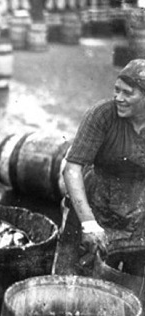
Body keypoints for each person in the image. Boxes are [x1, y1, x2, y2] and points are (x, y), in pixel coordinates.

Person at [63, 59, 145, 271]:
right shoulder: (103, 115)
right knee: (81, 275)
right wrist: (88, 223)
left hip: (136, 215)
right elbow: (72, 168)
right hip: (95, 206)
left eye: (128, 93)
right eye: (117, 90)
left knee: (132, 286)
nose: (119, 98)